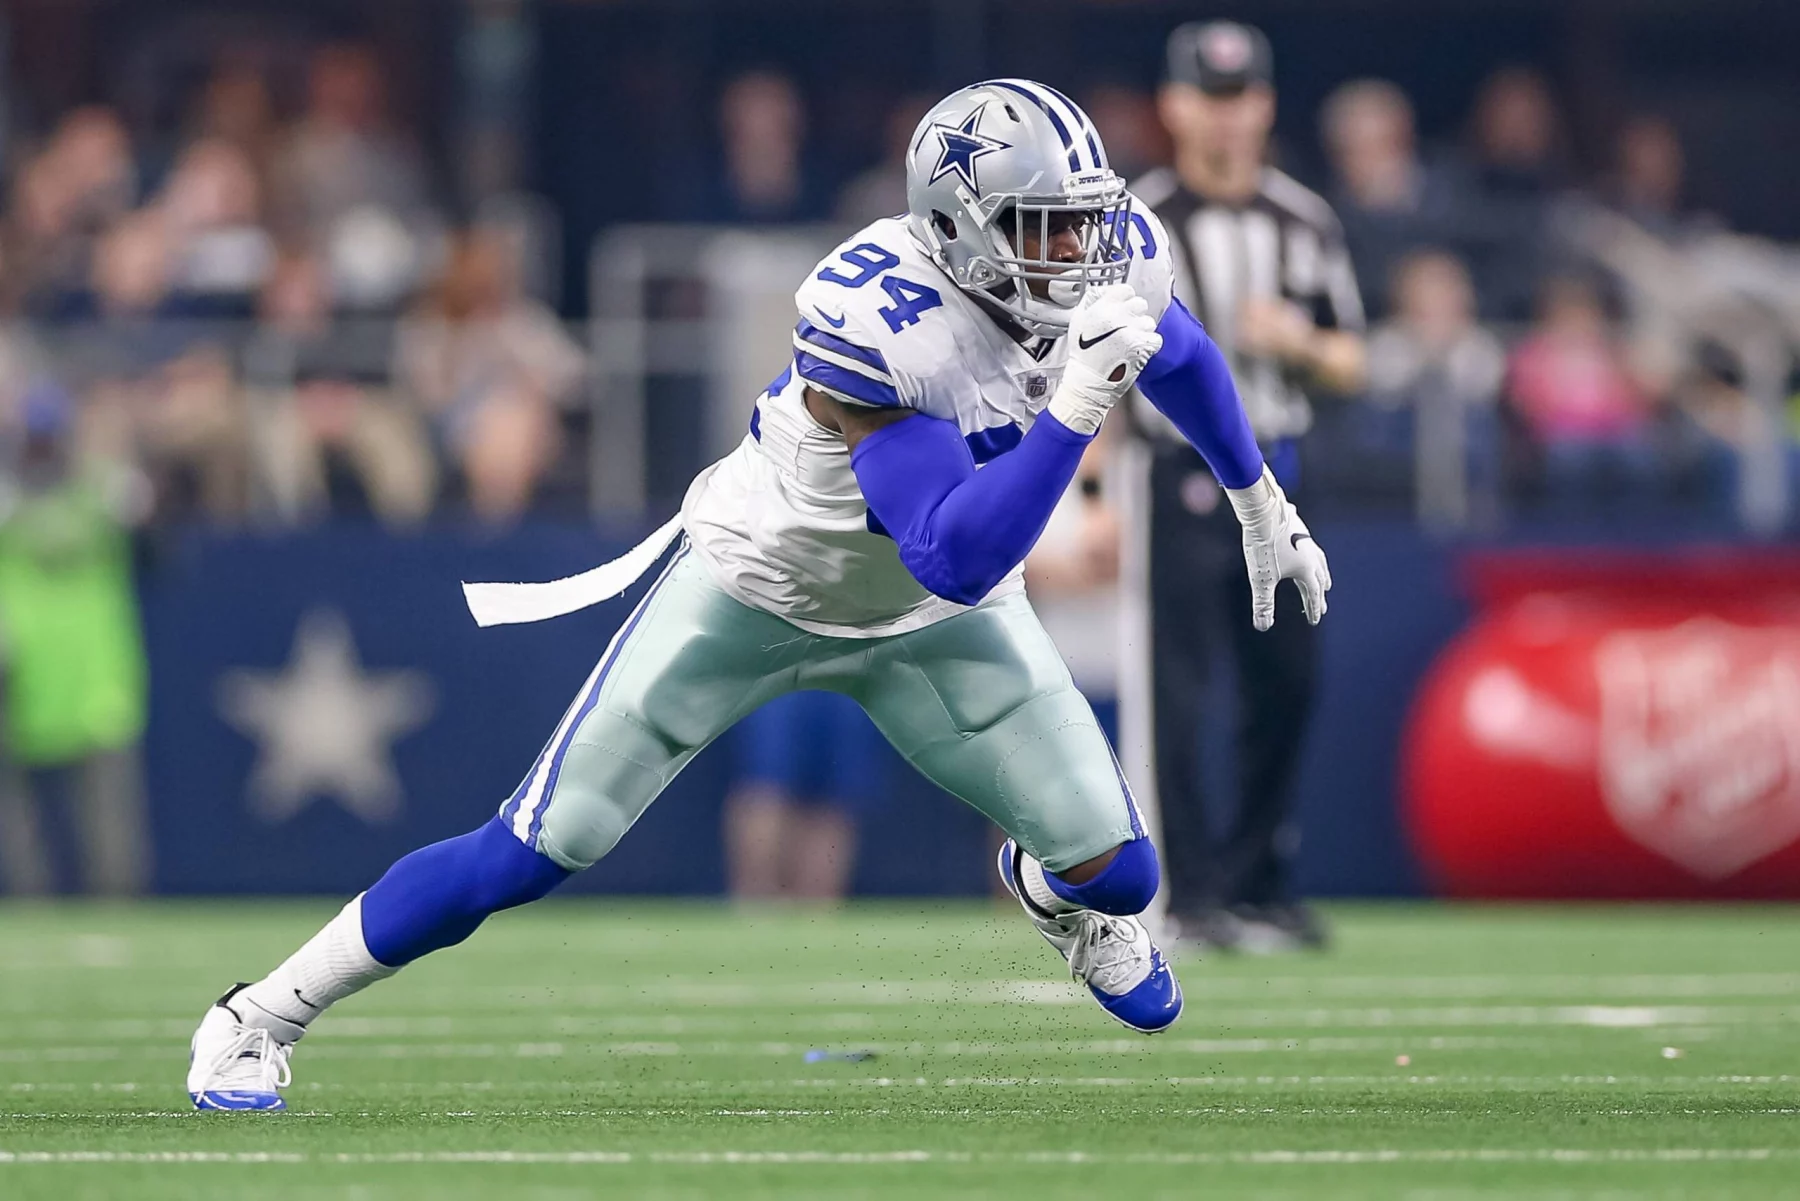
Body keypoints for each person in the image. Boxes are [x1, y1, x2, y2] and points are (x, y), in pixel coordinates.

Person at [185, 79, 1331, 1110]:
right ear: (954, 227)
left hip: (927, 628)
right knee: (533, 847)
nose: (1081, 248)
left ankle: (1052, 893)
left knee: (1122, 873)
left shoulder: (1105, 249)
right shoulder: (883, 316)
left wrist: (1258, 502)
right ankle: (260, 1013)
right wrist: (1078, 406)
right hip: (755, 589)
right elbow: (949, 550)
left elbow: (1175, 351)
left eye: (1087, 216)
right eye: (1046, 226)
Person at [1122, 22, 1365, 952]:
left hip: (1279, 471)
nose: (1225, 118)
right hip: (1173, 473)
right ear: (1175, 105)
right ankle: (1189, 896)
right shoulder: (1138, 220)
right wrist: (1095, 492)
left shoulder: (1302, 221)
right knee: (1176, 693)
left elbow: (1353, 355)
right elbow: (1092, 358)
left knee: (1285, 681)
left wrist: (1297, 344)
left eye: (1241, 97)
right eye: (1208, 97)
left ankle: (1259, 880)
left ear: (1264, 105)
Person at [724, 690, 889, 901]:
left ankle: (815, 912)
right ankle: (757, 905)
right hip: (781, 674)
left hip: (850, 677)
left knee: (835, 797)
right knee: (768, 787)